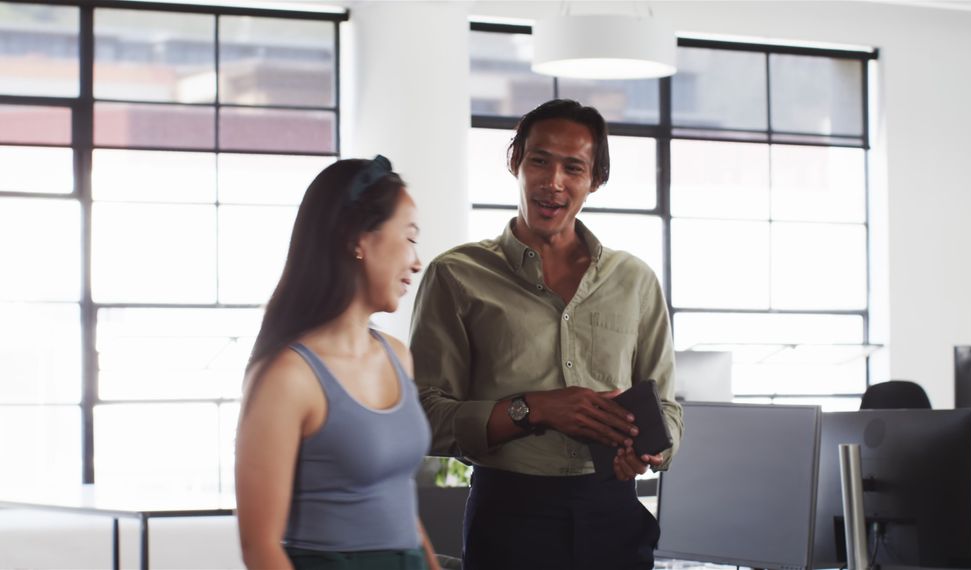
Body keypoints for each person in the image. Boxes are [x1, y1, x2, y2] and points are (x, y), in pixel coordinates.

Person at [410, 99, 684, 570]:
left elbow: (668, 410)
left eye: (573, 167)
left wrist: (649, 450)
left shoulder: (634, 280)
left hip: (614, 516)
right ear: (515, 160)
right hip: (509, 516)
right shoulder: (456, 275)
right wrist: (533, 408)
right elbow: (423, 416)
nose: (553, 181)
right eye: (539, 160)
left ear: (595, 180)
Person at [235, 157, 440, 570]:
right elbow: (260, 547)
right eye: (410, 237)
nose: (417, 261)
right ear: (358, 239)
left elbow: (401, 503)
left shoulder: (398, 356)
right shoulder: (288, 377)